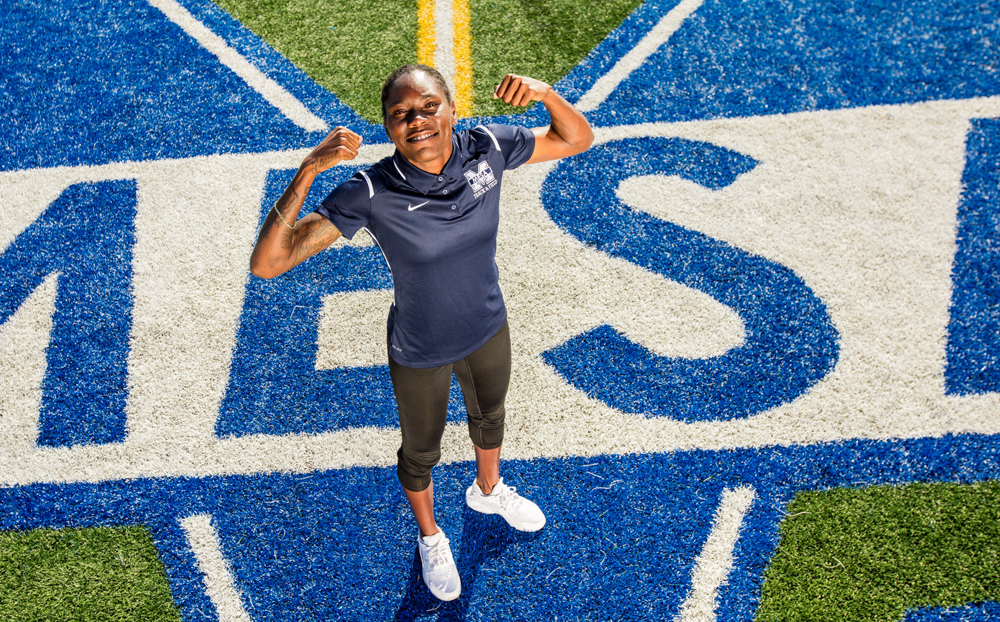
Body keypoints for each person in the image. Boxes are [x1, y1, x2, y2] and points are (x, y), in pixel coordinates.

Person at [249, 64, 593, 601]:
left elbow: (577, 138)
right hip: (420, 348)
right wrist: (310, 168)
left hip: (487, 324)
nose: (418, 120)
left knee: (490, 416)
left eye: (429, 106)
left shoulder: (487, 148)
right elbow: (269, 263)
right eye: (401, 114)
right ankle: (431, 536)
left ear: (453, 109)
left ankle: (488, 489)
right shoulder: (370, 188)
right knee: (420, 452)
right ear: (388, 128)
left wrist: (546, 94)